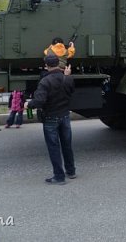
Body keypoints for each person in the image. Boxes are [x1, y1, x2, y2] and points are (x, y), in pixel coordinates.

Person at [25, 55, 76, 184]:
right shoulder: (67, 78)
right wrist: (68, 75)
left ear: (46, 65)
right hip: (65, 116)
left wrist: (28, 104)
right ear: (58, 63)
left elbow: (39, 101)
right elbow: (71, 92)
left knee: (54, 147)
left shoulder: (45, 81)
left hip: (50, 117)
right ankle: (71, 171)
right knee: (67, 145)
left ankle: (59, 176)